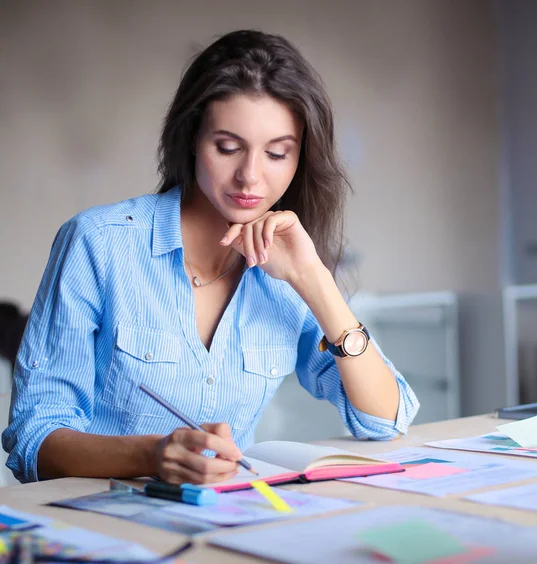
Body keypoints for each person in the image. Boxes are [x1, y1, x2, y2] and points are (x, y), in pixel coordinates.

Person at [2, 30, 419, 485]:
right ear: (191, 138)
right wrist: (153, 455)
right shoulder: (98, 244)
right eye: (227, 147)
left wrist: (315, 280)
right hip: (98, 525)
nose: (250, 177)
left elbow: (384, 419)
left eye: (278, 153)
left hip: (223, 522)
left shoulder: (286, 267)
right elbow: (33, 440)